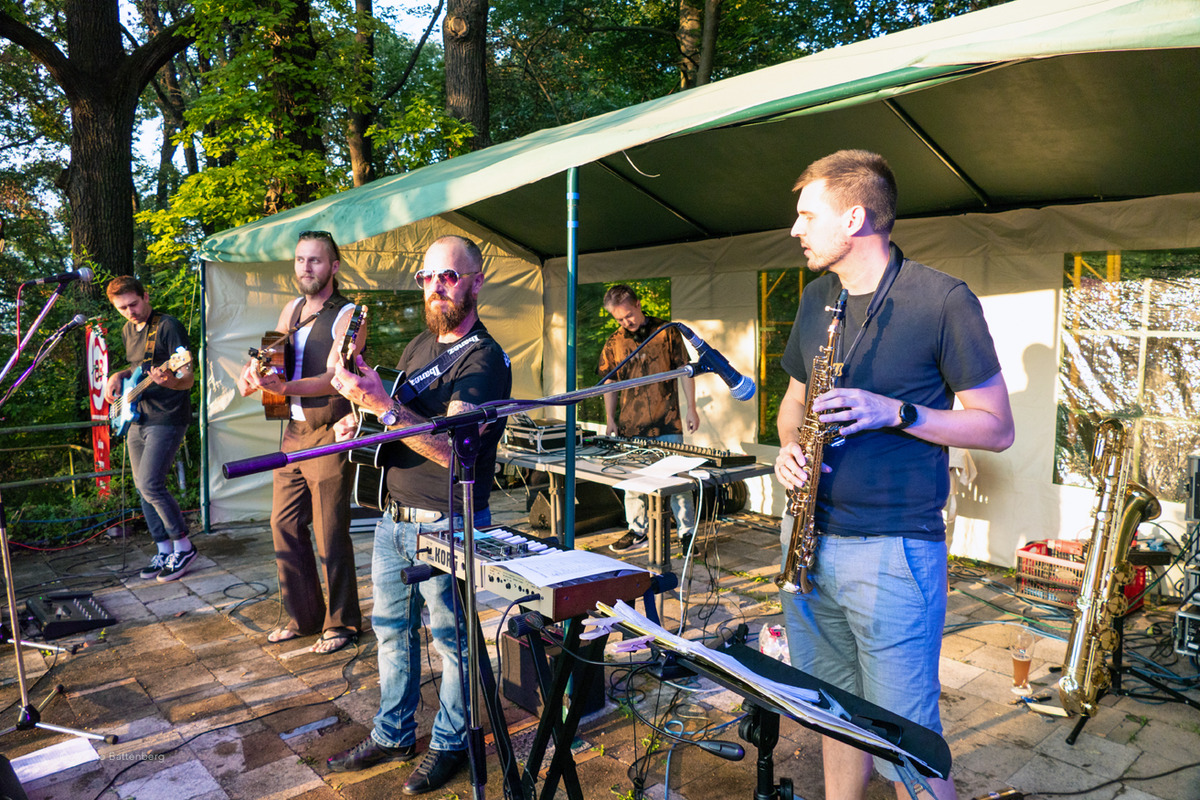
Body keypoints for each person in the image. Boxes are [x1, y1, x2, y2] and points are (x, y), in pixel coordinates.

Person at [773, 150, 1014, 800]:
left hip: (892, 552)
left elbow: (997, 427)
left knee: (908, 742)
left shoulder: (942, 300)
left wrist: (897, 412)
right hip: (806, 540)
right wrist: (789, 446)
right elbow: (792, 403)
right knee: (832, 712)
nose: (795, 229)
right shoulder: (816, 298)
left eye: (807, 215)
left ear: (853, 217)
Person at [325, 235, 511, 796]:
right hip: (393, 515)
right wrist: (359, 421)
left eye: (448, 276)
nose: (435, 287)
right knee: (390, 632)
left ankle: (451, 744)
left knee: (452, 641)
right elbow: (397, 421)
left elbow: (455, 451)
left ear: (476, 282)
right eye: (426, 277)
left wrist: (382, 407)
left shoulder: (484, 359)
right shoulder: (416, 347)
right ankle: (393, 734)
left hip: (447, 520)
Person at [236, 230, 363, 655]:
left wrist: (285, 387)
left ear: (334, 266)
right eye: (299, 260)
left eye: (315, 260)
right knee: (284, 525)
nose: (305, 268)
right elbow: (270, 358)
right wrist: (253, 375)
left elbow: (335, 377)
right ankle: (304, 617)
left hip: (329, 432)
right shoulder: (291, 309)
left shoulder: (349, 315)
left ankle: (342, 622)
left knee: (330, 532)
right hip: (291, 432)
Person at [104, 276, 198, 582]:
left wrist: (169, 380)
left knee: (150, 484)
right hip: (137, 416)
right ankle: (163, 548)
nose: (130, 312)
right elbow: (139, 367)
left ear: (146, 296)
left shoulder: (168, 326)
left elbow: (187, 377)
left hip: (167, 416)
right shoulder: (127, 330)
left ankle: (183, 546)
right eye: (122, 308)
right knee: (142, 487)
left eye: (133, 304)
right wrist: (119, 375)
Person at [599, 284, 700, 553]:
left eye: (628, 315)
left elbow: (685, 371)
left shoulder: (667, 331)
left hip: (667, 420)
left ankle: (687, 533)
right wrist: (610, 418)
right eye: (619, 319)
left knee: (677, 479)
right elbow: (609, 382)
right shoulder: (614, 342)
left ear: (638, 304)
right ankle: (637, 530)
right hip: (631, 425)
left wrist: (692, 408)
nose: (626, 322)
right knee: (633, 481)